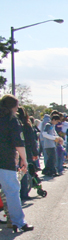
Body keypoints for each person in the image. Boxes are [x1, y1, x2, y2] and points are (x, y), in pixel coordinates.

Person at [0, 95, 33, 232]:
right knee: (12, 192)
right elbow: (18, 143)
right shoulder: (12, 120)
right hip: (6, 160)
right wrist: (24, 160)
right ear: (14, 106)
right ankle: (18, 222)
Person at [40, 112, 63, 176]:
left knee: (51, 159)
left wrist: (58, 138)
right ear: (53, 120)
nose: (57, 123)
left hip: (52, 144)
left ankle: (47, 170)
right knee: (52, 159)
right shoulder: (48, 125)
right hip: (48, 144)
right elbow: (44, 134)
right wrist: (54, 138)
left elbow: (54, 133)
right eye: (57, 121)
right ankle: (52, 171)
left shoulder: (52, 126)